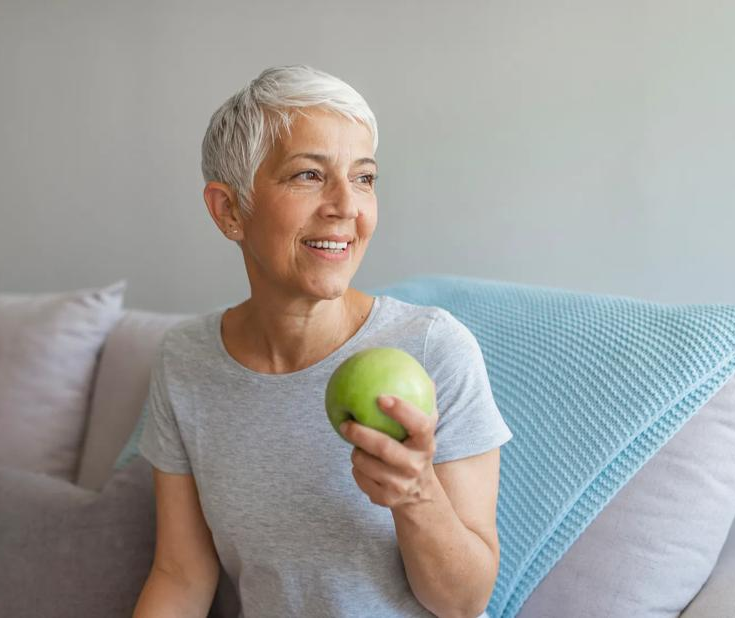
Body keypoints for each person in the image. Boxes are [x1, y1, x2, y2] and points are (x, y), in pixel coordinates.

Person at [132, 65, 513, 618]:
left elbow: (464, 602)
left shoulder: (433, 348)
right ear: (229, 210)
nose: (346, 206)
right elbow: (181, 574)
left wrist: (415, 494)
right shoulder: (185, 361)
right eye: (309, 175)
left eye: (364, 178)